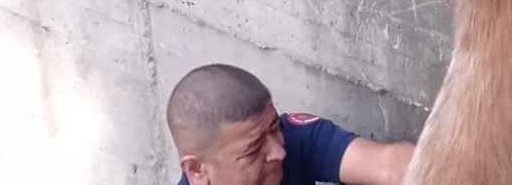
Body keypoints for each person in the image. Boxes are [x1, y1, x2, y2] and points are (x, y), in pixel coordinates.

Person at [167, 63, 414, 185]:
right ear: (197, 170)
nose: (278, 151)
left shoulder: (296, 138)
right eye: (253, 150)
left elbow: (388, 165)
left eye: (274, 128)